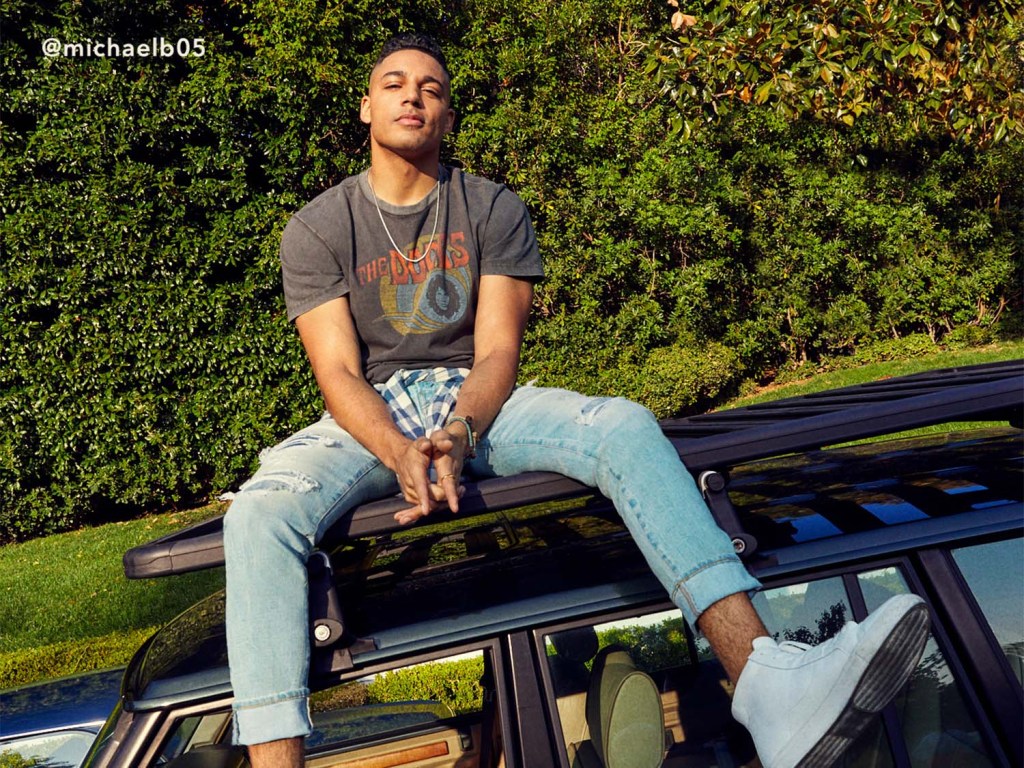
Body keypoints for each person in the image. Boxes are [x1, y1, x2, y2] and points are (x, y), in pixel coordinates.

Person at [223, 32, 930, 768]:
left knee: (622, 427)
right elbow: (337, 372)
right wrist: (399, 449)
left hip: (476, 399)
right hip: (374, 410)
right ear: (366, 108)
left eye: (431, 89)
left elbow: (497, 351)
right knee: (259, 517)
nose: (413, 96)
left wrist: (462, 430)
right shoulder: (318, 226)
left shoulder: (491, 207)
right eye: (395, 84)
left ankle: (766, 683)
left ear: (449, 117)